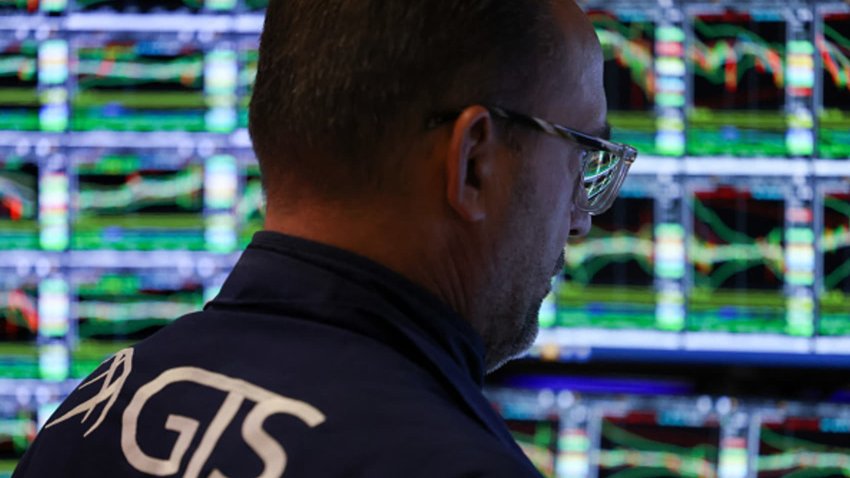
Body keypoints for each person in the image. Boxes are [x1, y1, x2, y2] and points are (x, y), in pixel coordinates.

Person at [14, 0, 636, 476]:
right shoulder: (451, 462)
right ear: (474, 161)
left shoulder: (86, 416)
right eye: (582, 157)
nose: (582, 218)